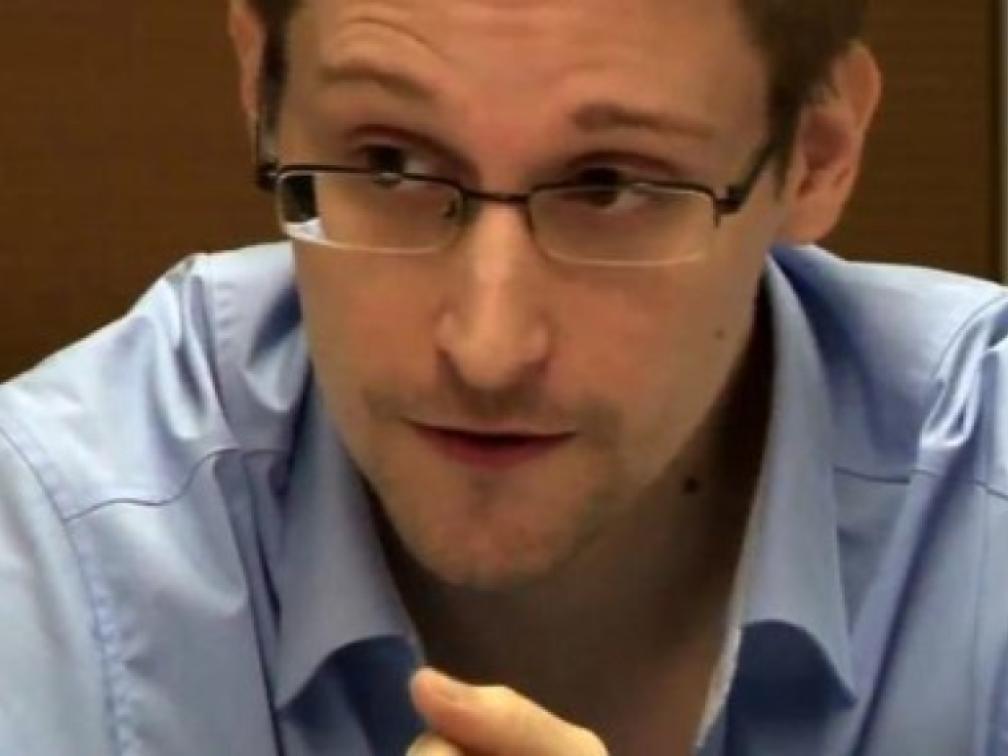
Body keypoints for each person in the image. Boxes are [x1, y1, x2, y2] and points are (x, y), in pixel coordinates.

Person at [2, 0, 1007, 753]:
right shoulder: (61, 535)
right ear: (261, 90)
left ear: (818, 153)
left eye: (609, 184)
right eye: (389, 163)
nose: (487, 351)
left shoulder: (983, 502)